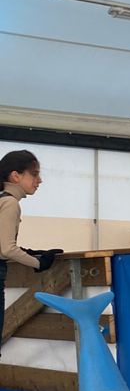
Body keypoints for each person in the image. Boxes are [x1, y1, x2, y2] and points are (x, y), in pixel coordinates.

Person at [0, 149, 61, 355]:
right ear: (16, 176)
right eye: (34, 174)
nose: (39, 180)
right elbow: (6, 248)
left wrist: (28, 251)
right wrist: (39, 263)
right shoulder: (9, 203)